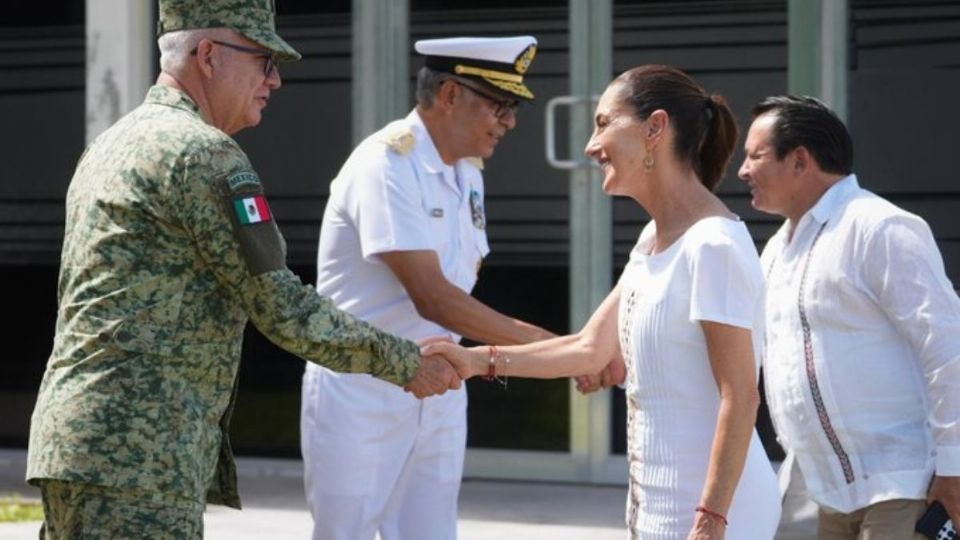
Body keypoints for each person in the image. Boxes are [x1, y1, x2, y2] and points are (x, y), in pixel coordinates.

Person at [25, 1, 459, 538]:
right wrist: (404, 362)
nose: (274, 80)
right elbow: (280, 306)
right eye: (262, 60)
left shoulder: (113, 143)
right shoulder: (203, 154)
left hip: (82, 443)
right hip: (139, 457)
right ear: (208, 55)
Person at [427, 64, 781, 539]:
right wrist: (473, 360)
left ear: (655, 127)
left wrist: (711, 519)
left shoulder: (712, 246)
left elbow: (740, 397)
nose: (591, 147)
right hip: (655, 505)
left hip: (715, 513)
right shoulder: (652, 239)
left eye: (602, 123)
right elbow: (590, 348)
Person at [300, 36, 563, 540]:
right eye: (500, 105)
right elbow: (434, 296)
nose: (509, 121)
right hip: (364, 389)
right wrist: (561, 351)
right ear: (449, 95)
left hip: (440, 384)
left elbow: (460, 284)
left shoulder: (466, 171)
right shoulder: (385, 164)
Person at [738, 95, 960, 539]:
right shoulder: (776, 252)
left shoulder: (879, 227)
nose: (742, 171)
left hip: (903, 483)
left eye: (754, 155)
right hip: (823, 493)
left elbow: (946, 349)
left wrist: (954, 467)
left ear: (800, 160)